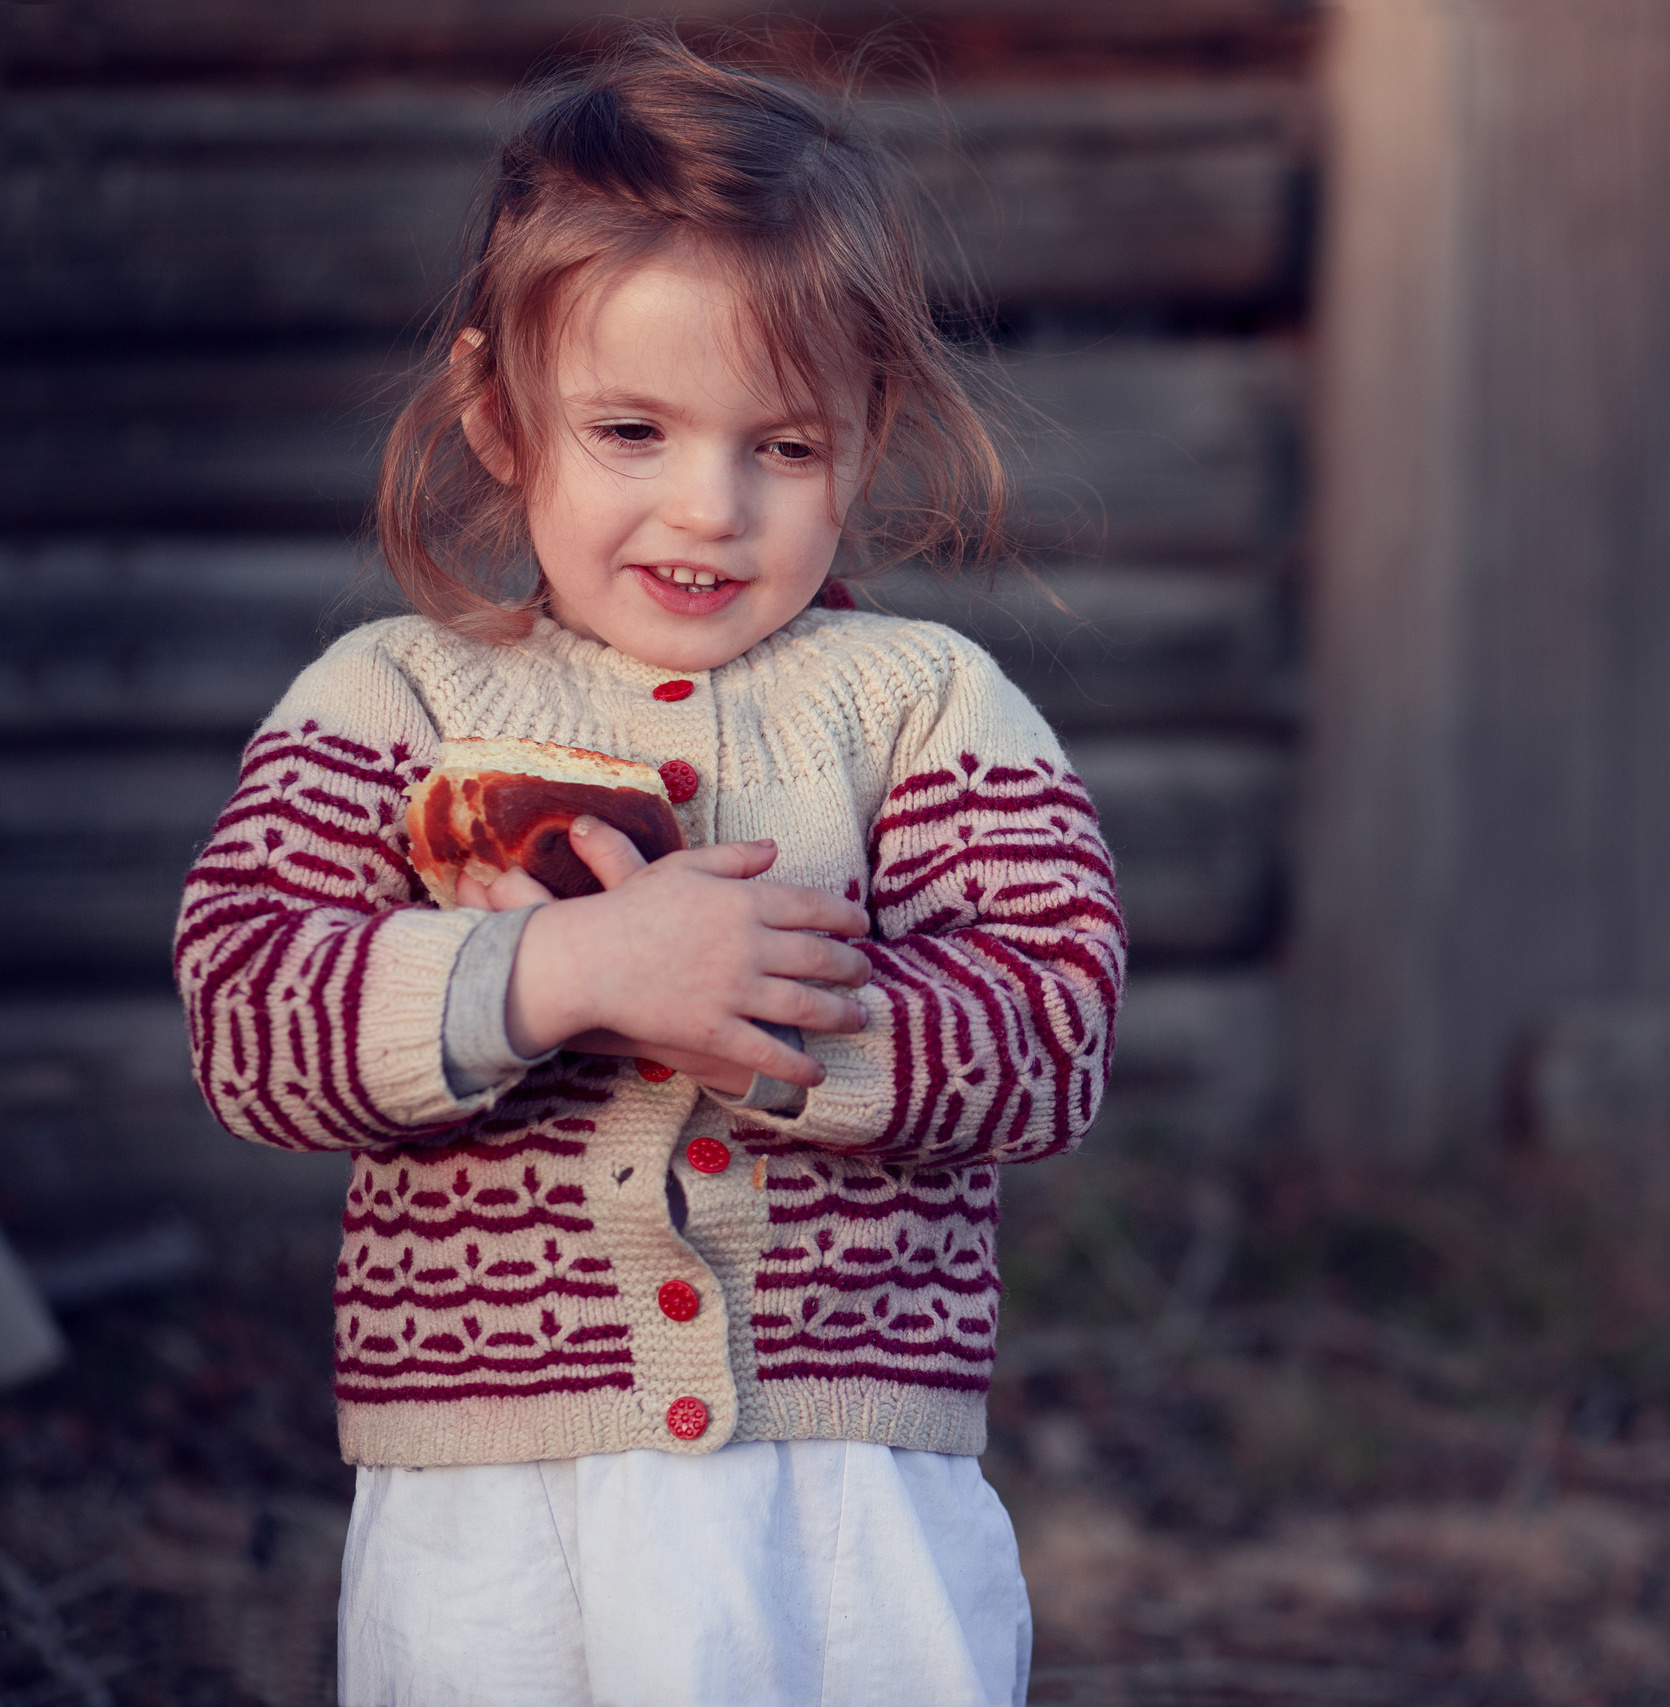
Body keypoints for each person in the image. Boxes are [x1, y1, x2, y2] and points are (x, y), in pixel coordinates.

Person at [172, 31, 1123, 1707]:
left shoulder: (921, 705)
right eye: (631, 429)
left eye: (786, 447)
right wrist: (562, 978)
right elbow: (252, 1019)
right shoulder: (392, 701)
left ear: (870, 430)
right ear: (498, 415)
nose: (709, 508)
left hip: (841, 1497)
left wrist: (766, 1025)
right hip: (495, 1498)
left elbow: (1050, 1030)